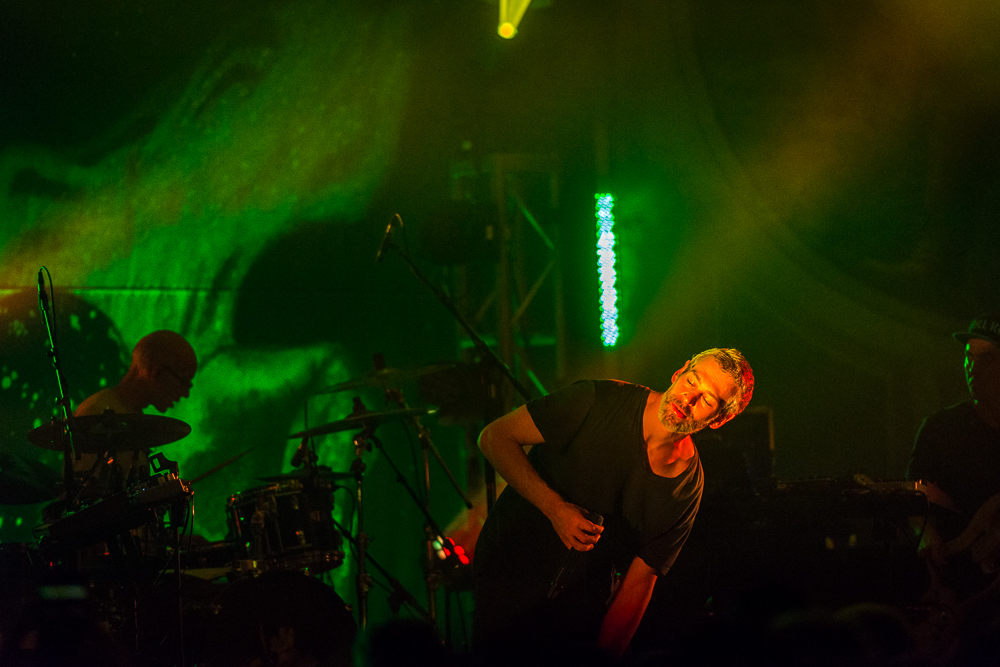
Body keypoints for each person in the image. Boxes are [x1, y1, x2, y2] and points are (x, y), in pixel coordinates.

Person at [472, 348, 754, 659]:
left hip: (579, 609)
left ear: (720, 419)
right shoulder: (596, 399)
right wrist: (555, 509)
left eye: (708, 400)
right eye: (691, 381)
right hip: (508, 577)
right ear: (679, 372)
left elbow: (639, 582)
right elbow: (495, 437)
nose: (688, 399)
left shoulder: (686, 488)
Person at [906, 313, 1000, 610]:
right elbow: (914, 495)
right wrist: (926, 535)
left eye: (987, 358)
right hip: (958, 585)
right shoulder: (942, 428)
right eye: (969, 356)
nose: (973, 367)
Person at [72, 329, 197, 497]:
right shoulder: (97, 413)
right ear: (156, 372)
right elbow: (85, 496)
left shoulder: (132, 416)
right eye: (184, 381)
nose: (186, 393)